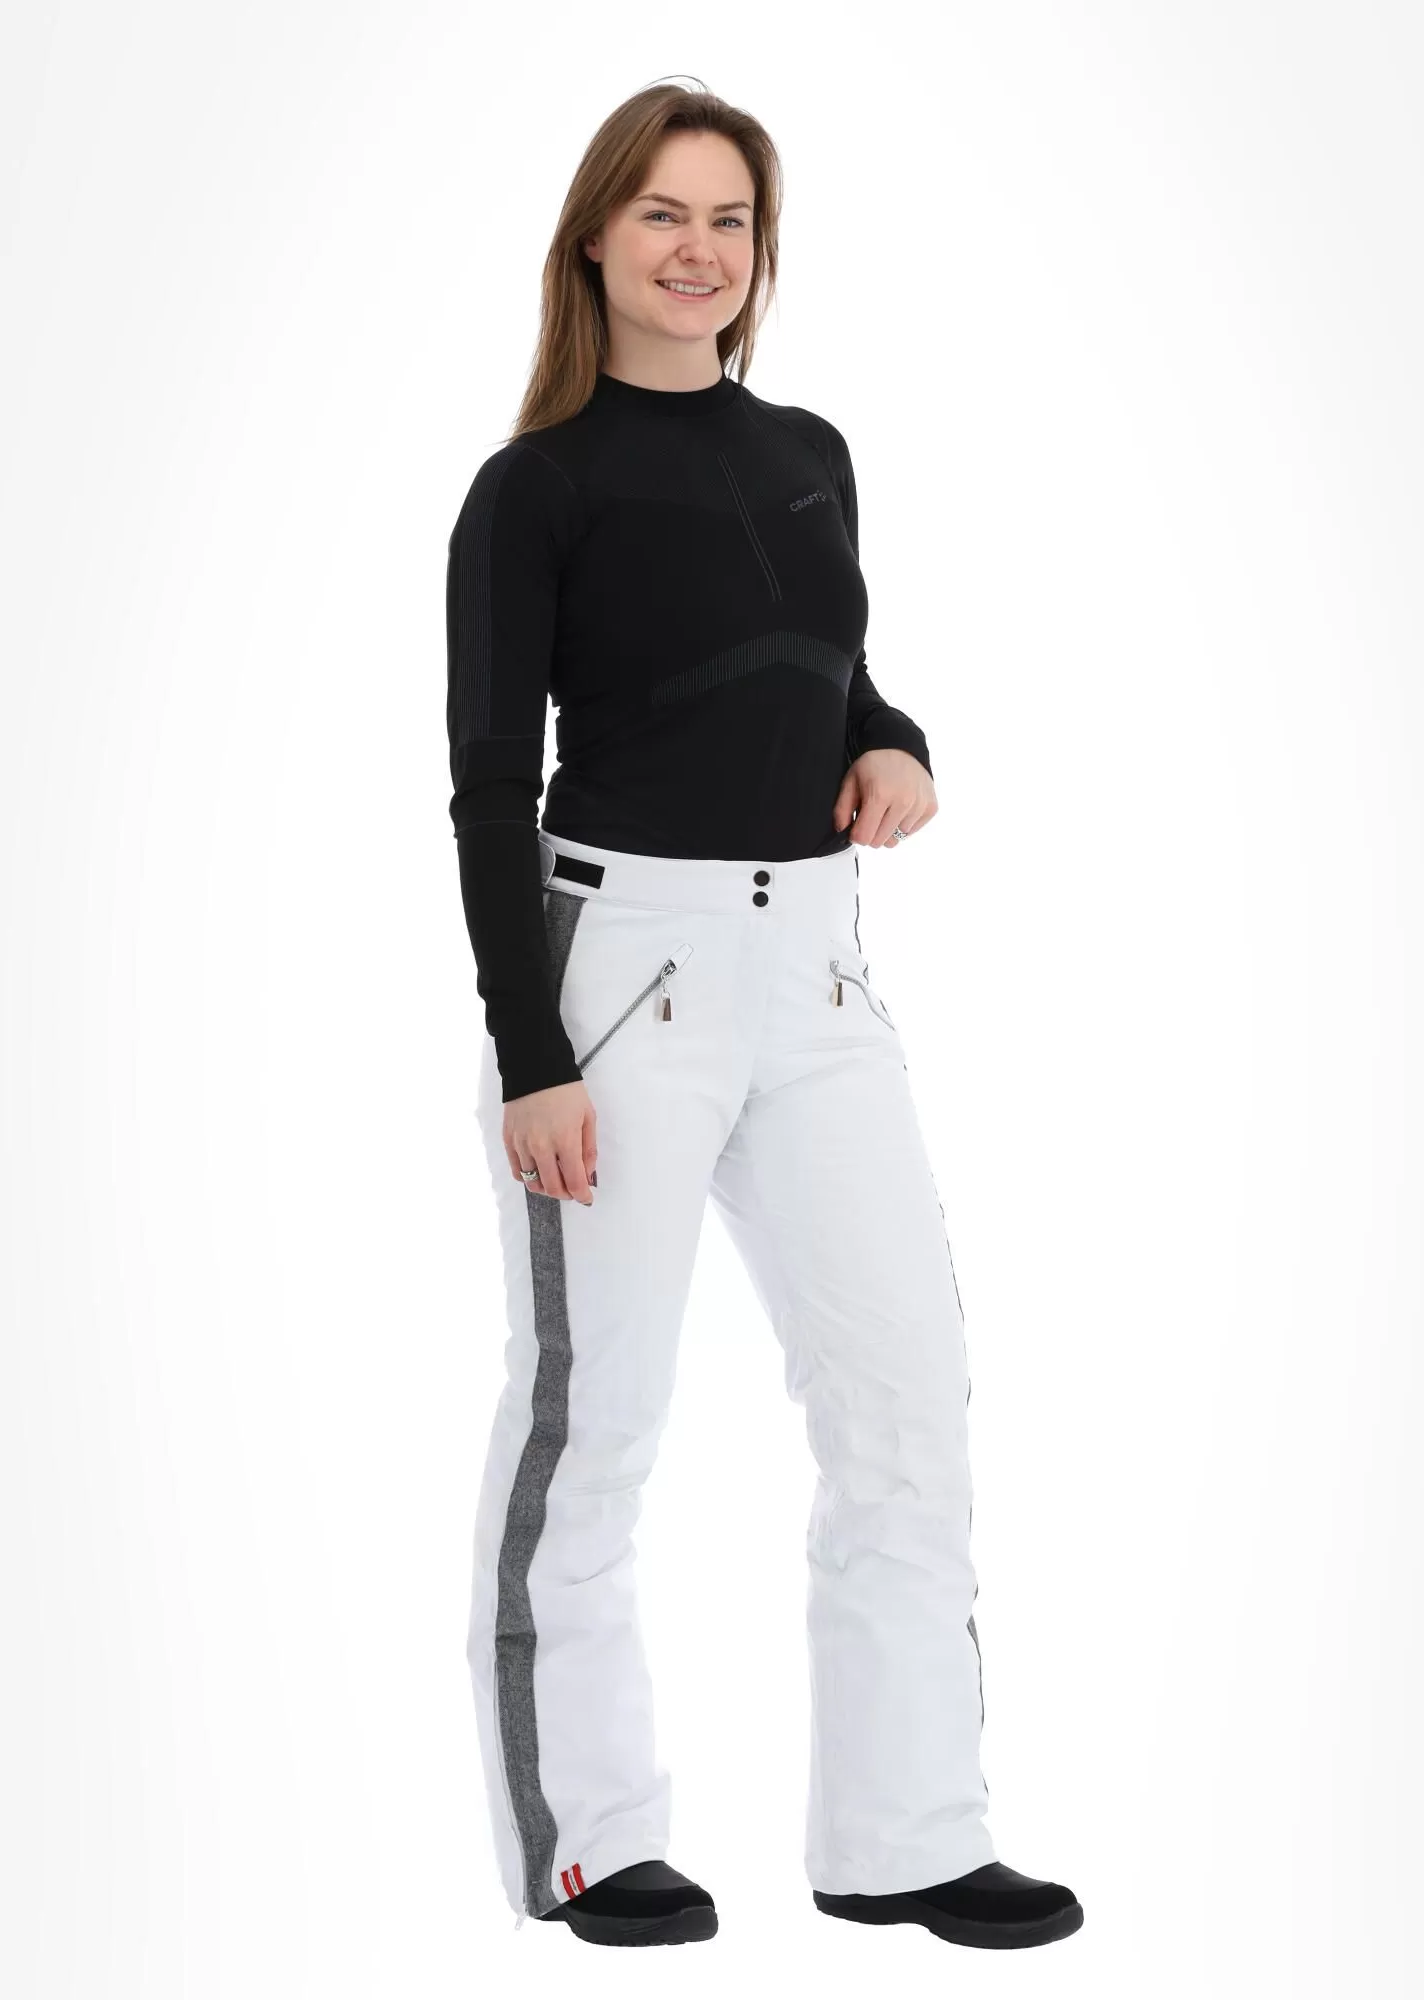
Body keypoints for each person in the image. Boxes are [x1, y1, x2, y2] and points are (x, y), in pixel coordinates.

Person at [448, 81, 1081, 1952]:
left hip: (816, 969)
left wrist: (898, 744)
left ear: (760, 249)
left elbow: (837, 669)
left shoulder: (809, 451)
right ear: (594, 240)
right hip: (621, 975)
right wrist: (534, 1058)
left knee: (903, 1400)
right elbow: (488, 789)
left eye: (728, 219)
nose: (697, 249)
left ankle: (908, 1837)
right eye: (661, 214)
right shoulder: (536, 488)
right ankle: (592, 1841)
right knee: (596, 1421)